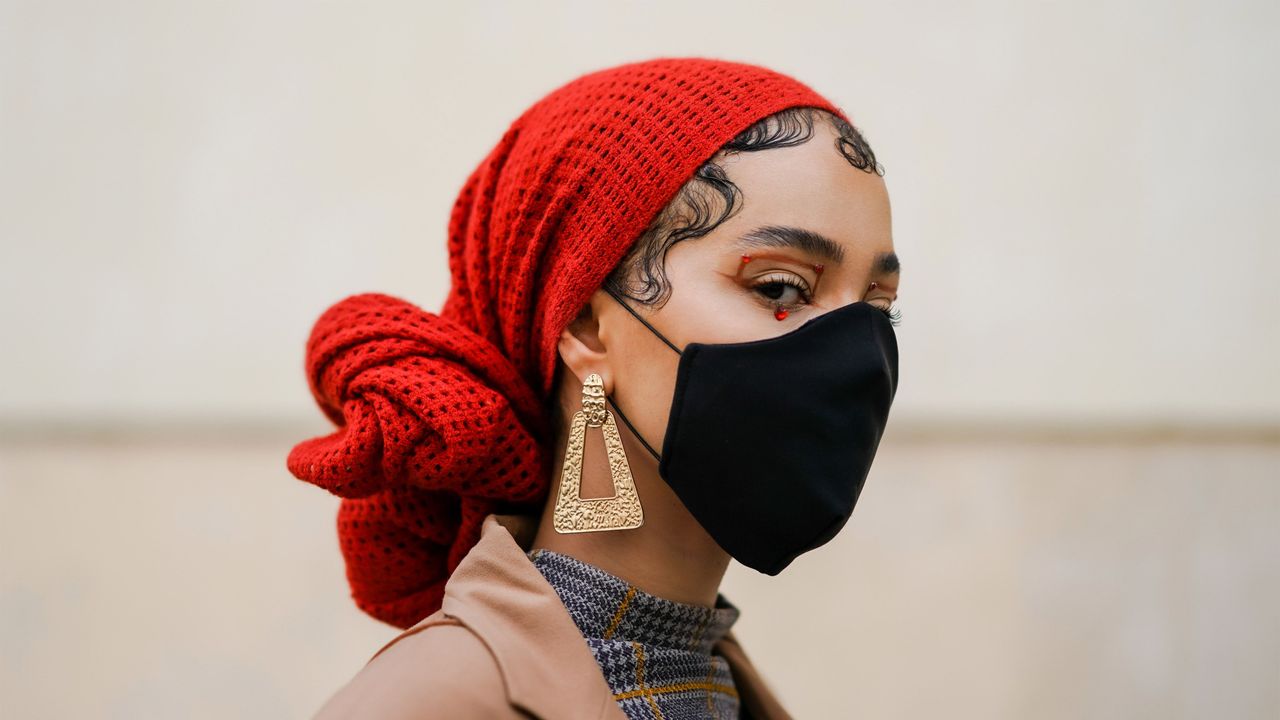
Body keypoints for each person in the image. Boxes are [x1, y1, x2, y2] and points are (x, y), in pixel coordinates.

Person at [287, 56, 902, 719]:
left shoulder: (714, 690)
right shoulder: (431, 704)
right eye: (781, 288)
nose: (856, 354)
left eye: (876, 306)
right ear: (585, 325)